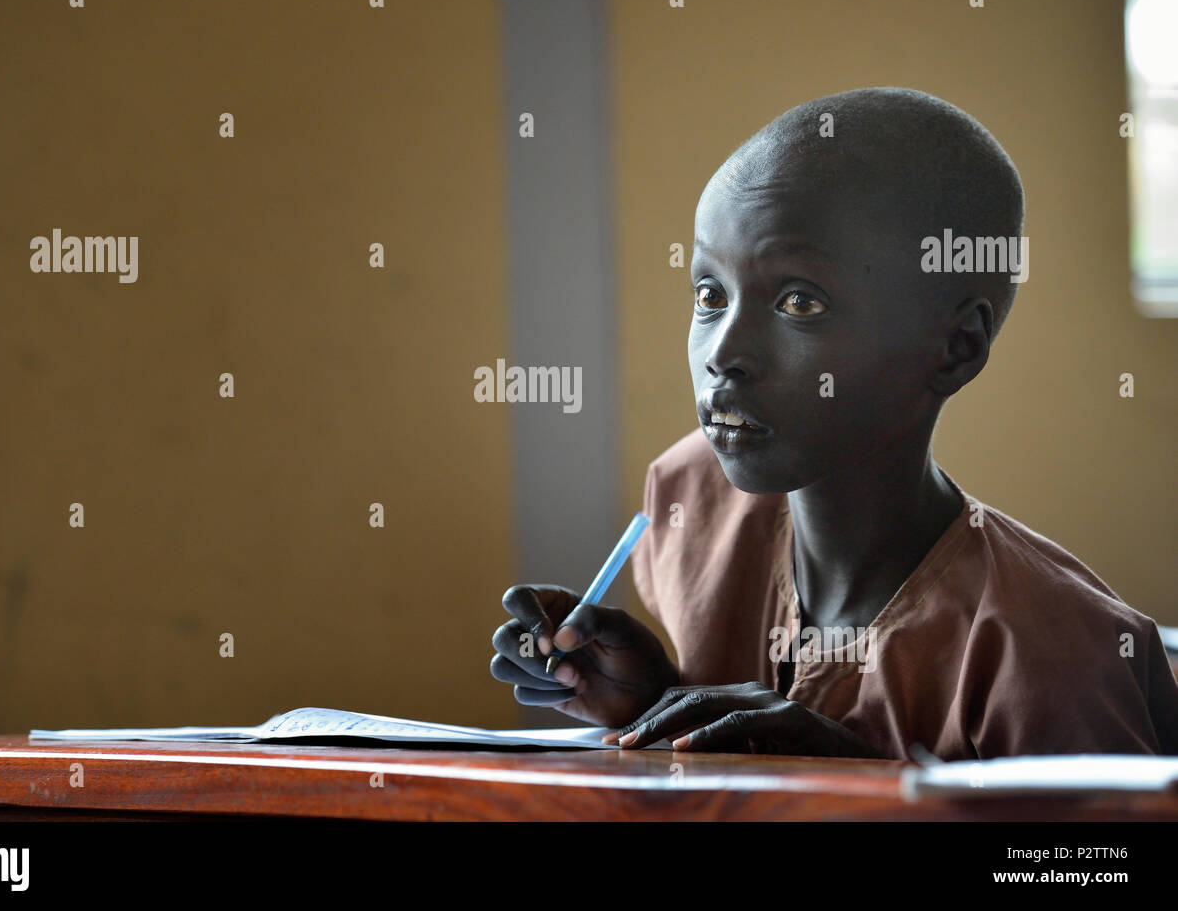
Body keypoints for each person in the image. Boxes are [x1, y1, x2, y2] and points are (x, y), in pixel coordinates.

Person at [489, 87, 1178, 759]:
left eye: (799, 302)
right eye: (710, 294)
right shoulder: (695, 506)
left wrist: (861, 791)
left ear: (956, 347)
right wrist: (659, 700)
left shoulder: (1052, 655)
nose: (723, 352)